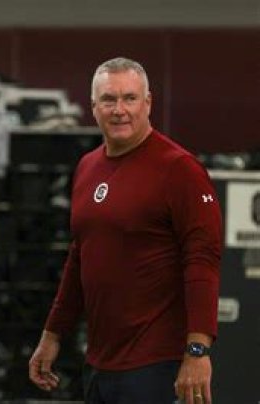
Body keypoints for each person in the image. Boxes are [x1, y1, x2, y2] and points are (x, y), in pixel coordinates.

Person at [28, 57, 222, 403]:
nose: (119, 110)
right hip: (99, 362)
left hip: (157, 364)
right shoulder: (87, 167)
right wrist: (52, 334)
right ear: (93, 107)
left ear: (148, 103)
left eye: (130, 98)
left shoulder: (180, 169)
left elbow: (202, 262)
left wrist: (197, 350)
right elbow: (80, 259)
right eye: (109, 99)